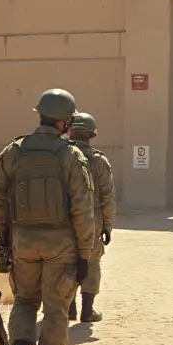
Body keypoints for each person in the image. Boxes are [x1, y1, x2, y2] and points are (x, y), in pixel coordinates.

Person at [0, 89, 95, 345]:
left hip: (23, 241)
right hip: (61, 244)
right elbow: (82, 208)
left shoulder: (14, 151)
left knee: (24, 302)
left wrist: (4, 239)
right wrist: (85, 254)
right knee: (56, 309)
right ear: (65, 122)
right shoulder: (70, 155)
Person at [66, 112, 116, 323]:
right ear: (91, 134)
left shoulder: (62, 156)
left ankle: (69, 308)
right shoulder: (98, 161)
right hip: (93, 218)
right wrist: (108, 226)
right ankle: (88, 309)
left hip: (65, 217)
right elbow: (108, 196)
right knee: (92, 262)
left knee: (66, 261)